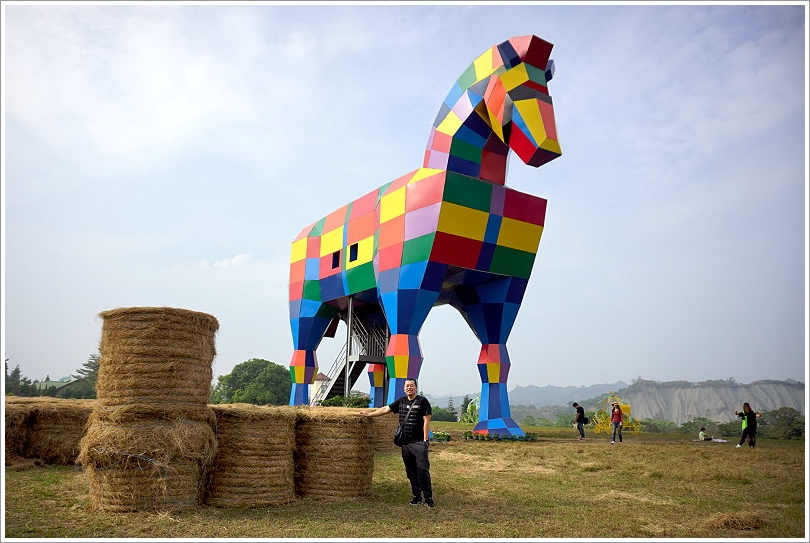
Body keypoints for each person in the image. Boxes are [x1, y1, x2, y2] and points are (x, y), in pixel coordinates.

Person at [362, 378, 434, 507]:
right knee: (410, 471)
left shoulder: (422, 401)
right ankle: (417, 496)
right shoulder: (401, 401)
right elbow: (385, 409)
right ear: (404, 388)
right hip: (405, 443)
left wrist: (425, 440)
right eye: (407, 386)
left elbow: (426, 420)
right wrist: (369, 415)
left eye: (411, 386)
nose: (409, 388)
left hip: (418, 442)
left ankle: (428, 498)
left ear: (416, 387)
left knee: (422, 469)